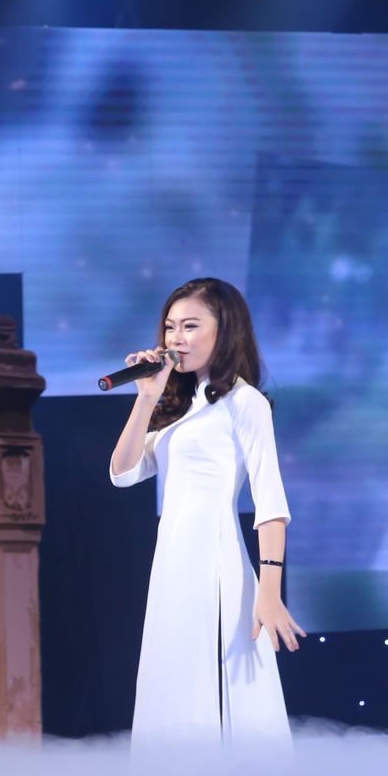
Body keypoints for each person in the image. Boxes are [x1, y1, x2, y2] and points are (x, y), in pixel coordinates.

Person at [109, 277, 304, 749]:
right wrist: (146, 398)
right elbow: (122, 473)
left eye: (191, 326)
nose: (176, 338)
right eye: (170, 327)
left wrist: (270, 591)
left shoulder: (245, 402)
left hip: (216, 560)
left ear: (225, 330)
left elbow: (271, 504)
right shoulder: (179, 405)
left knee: (228, 689)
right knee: (171, 678)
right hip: (172, 561)